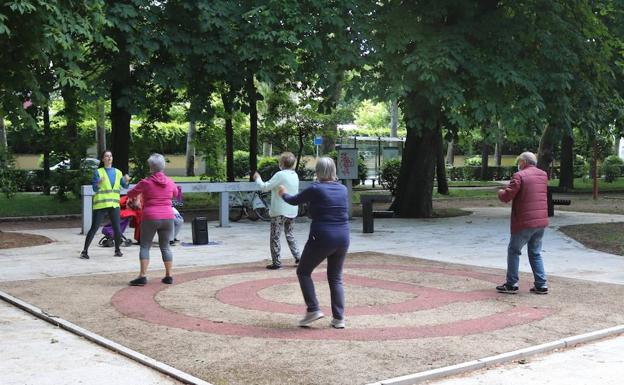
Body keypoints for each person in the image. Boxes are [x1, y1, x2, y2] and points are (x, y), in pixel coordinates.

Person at [278, 157, 349, 329]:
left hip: (322, 236)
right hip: (343, 236)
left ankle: (313, 309)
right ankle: (339, 318)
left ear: (318, 171)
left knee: (303, 271)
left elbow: (294, 201)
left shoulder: (316, 189)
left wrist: (283, 193)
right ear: (333, 170)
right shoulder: (343, 189)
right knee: (335, 277)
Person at [496, 151, 549, 295]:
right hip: (540, 221)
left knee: (514, 250)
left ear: (524, 162)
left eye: (519, 162)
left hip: (524, 221)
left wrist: (500, 192)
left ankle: (511, 284)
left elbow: (507, 196)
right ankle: (541, 284)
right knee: (535, 252)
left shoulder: (519, 176)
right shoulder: (543, 175)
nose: (519, 165)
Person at [126, 153, 179, 286]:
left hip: (150, 216)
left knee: (145, 246)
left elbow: (131, 193)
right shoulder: (170, 182)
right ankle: (168, 275)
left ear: (151, 168)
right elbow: (176, 194)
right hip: (168, 216)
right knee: (165, 247)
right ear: (163, 167)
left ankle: (142, 276)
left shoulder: (145, 183)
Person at [253, 152, 301, 269]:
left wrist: (258, 179)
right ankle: (299, 257)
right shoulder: (295, 175)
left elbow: (265, 187)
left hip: (279, 211)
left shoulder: (280, 175)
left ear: (281, 163)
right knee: (290, 234)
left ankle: (277, 262)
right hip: (292, 210)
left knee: (275, 236)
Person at [80, 150, 130, 259]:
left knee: (117, 229)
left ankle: (117, 250)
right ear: (103, 159)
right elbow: (94, 188)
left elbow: (124, 187)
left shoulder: (118, 172)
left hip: (114, 204)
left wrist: (126, 181)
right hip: (101, 204)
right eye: (106, 156)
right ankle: (84, 251)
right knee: (94, 228)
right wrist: (98, 183)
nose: (109, 158)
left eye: (110, 156)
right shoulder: (98, 172)